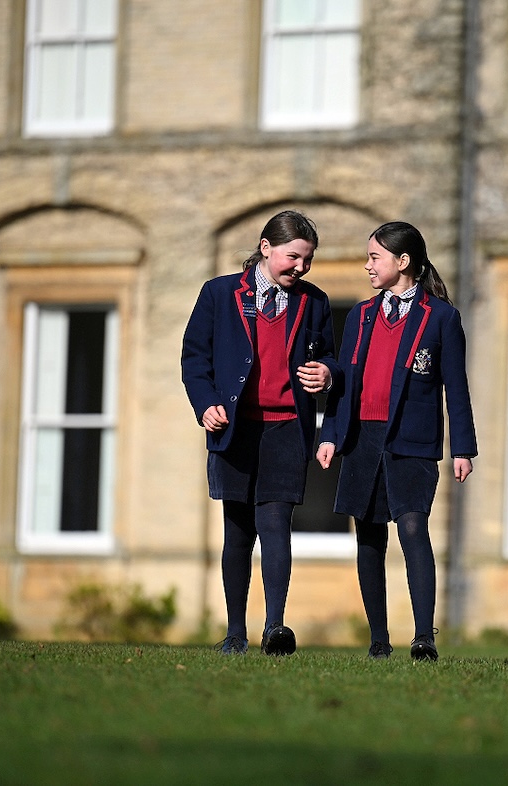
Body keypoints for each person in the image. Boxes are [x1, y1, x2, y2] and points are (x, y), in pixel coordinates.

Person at [317, 221, 477, 662]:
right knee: (368, 538)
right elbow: (344, 384)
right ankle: (378, 642)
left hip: (413, 440)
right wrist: (330, 434)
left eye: (375, 257)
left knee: (412, 529)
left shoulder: (441, 317)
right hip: (362, 439)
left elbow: (456, 387)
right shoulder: (360, 315)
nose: (367, 265)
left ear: (402, 262)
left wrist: (462, 448)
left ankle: (423, 637)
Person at [181, 210, 338, 656]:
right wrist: (205, 402)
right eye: (293, 257)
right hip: (236, 428)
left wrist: (327, 372)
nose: (300, 268)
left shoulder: (315, 301)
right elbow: (195, 358)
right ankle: (234, 633)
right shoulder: (219, 294)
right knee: (237, 531)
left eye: (307, 260)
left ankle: (275, 628)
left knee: (276, 525)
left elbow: (331, 357)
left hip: (288, 427)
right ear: (266, 248)